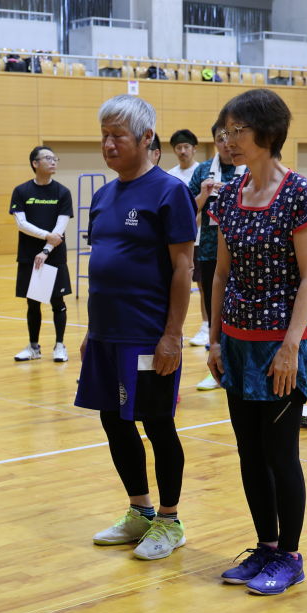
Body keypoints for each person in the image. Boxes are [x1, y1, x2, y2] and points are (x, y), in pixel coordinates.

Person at [205, 88, 307, 596]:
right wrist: (213, 340)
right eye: (225, 131)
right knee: (249, 453)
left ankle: (290, 556)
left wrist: (291, 345)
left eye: (238, 131)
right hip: (236, 343)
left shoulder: (300, 193)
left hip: (280, 346)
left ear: (268, 133)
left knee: (280, 455)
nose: (228, 140)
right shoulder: (228, 194)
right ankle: (265, 547)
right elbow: (220, 273)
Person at [76, 94, 196, 561]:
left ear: (147, 138)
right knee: (113, 421)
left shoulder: (170, 192)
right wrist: (91, 330)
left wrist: (172, 335)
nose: (108, 144)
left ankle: (170, 520)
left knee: (157, 424)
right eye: (103, 136)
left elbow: (183, 268)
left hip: (147, 334)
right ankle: (140, 511)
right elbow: (104, 266)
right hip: (106, 334)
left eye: (118, 136)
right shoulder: (103, 196)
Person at [187, 121, 243, 390]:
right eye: (220, 139)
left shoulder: (247, 167)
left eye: (229, 137)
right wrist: (203, 194)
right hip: (210, 250)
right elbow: (187, 210)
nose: (226, 144)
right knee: (214, 311)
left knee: (240, 312)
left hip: (242, 252)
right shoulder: (202, 170)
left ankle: (241, 367)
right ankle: (217, 368)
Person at [8, 146, 74, 361]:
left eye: (54, 158)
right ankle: (34, 347)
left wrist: (46, 249)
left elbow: (60, 226)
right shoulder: (22, 191)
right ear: (35, 164)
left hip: (54, 255)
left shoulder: (62, 192)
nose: (53, 161)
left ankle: (60, 345)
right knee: (33, 303)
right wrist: (46, 236)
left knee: (58, 302)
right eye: (47, 158)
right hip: (30, 255)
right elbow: (21, 223)